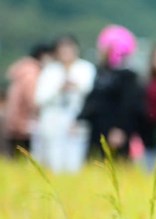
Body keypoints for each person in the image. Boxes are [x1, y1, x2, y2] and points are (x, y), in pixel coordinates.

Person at [78, 25, 145, 160]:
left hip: (115, 131)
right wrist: (80, 118)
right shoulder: (101, 72)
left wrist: (120, 129)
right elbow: (93, 99)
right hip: (97, 129)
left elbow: (128, 106)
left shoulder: (128, 76)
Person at [32, 34, 95, 173]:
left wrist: (76, 86)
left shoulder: (85, 68)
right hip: (53, 119)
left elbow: (91, 95)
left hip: (77, 119)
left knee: (74, 161)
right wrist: (58, 89)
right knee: (53, 161)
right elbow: (39, 98)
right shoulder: (50, 71)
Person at [5, 42, 51, 156]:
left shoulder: (23, 70)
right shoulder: (32, 73)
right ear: (43, 55)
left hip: (14, 122)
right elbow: (32, 100)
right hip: (24, 125)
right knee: (23, 161)